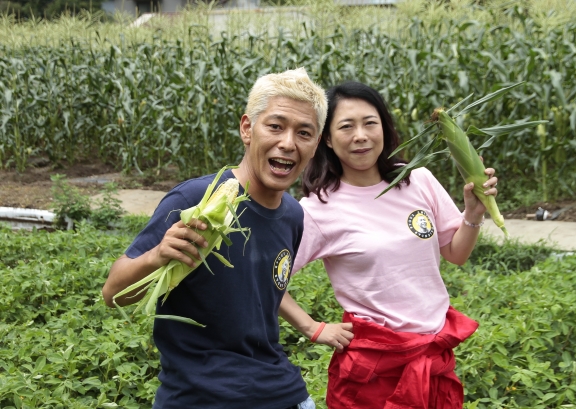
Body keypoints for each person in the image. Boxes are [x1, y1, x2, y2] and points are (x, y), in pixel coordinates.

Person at [101, 68, 346, 409]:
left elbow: (264, 287)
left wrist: (311, 326)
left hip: (283, 392)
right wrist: (157, 256)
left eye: (304, 132)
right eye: (275, 126)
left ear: (316, 144)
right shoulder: (195, 200)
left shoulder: (293, 215)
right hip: (202, 397)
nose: (288, 143)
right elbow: (113, 294)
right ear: (247, 128)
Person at [278, 81, 498, 408]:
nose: (361, 135)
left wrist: (474, 213)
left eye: (370, 123)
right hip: (372, 373)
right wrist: (312, 327)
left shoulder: (418, 180)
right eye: (346, 126)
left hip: (432, 360)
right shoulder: (318, 209)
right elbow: (266, 280)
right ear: (327, 137)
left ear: (384, 126)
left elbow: (456, 253)